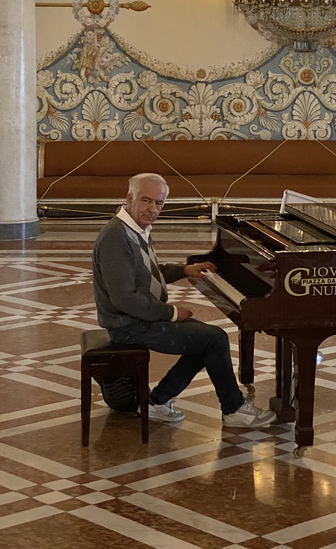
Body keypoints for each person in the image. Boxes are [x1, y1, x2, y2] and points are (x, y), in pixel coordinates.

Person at [92, 172, 278, 429]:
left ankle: (157, 402)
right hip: (128, 324)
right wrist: (170, 313)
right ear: (129, 198)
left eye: (159, 204)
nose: (152, 210)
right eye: (146, 201)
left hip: (138, 317)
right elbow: (124, 298)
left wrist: (184, 270)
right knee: (213, 339)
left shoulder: (135, 228)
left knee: (205, 340)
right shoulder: (116, 237)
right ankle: (233, 409)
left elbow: (147, 273)